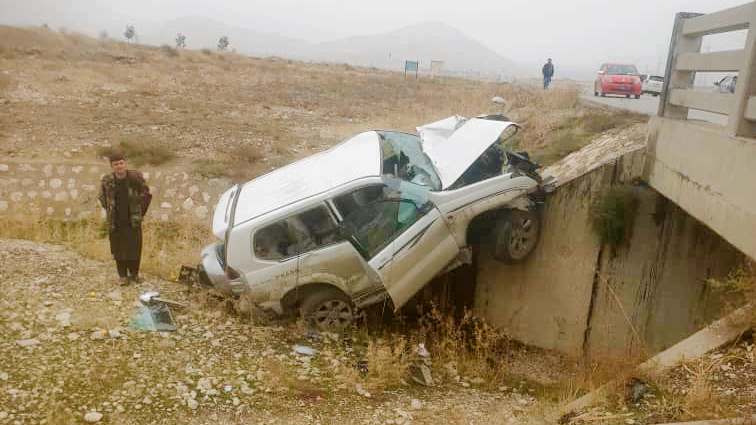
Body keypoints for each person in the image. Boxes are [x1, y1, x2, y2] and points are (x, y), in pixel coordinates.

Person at [98, 152, 152, 285]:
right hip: (116, 222)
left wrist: (140, 213)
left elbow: (146, 195)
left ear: (125, 163)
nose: (119, 166)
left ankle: (134, 275)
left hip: (133, 221)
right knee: (118, 249)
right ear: (112, 166)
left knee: (135, 248)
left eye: (121, 163)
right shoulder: (107, 180)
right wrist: (110, 209)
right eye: (116, 164)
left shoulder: (136, 177)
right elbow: (102, 197)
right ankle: (122, 276)